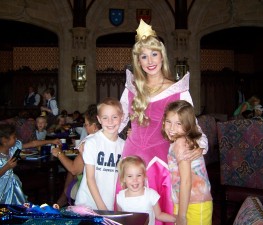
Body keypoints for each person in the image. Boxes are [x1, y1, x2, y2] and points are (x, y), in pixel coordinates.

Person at [119, 19, 208, 223]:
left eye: (154, 54)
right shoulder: (132, 88)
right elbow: (118, 120)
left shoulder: (178, 90)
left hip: (160, 162)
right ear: (138, 61)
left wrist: (201, 147)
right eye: (144, 56)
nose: (150, 61)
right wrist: (94, 137)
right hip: (132, 160)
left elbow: (193, 125)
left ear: (162, 56)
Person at [162, 100, 213, 225]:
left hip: (194, 204)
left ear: (188, 125)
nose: (172, 128)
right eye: (169, 122)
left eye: (178, 123)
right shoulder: (182, 140)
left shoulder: (181, 143)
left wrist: (182, 215)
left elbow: (186, 181)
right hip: (187, 201)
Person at [75, 97, 125, 210]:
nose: (110, 122)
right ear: (99, 119)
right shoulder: (92, 142)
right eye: (105, 117)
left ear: (122, 117)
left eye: (115, 117)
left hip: (111, 203)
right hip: (88, 204)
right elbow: (90, 178)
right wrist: (102, 208)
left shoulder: (124, 146)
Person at [51, 104, 101, 207]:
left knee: (73, 171)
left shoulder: (91, 141)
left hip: (94, 188)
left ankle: (62, 200)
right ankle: (63, 198)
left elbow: (74, 169)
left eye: (86, 124)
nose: (85, 127)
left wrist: (59, 153)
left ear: (95, 126)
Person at [0, 124, 61, 204]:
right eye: (14, 137)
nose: (16, 139)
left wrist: (51, 141)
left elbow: (33, 143)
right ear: (5, 141)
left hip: (12, 184)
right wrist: (7, 167)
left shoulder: (13, 148)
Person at [117, 156, 176, 225]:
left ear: (144, 176)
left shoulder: (151, 194)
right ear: (123, 178)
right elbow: (120, 219)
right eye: (130, 176)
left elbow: (159, 215)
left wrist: (176, 219)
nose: (135, 180)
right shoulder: (120, 197)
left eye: (138, 175)